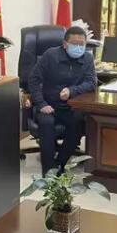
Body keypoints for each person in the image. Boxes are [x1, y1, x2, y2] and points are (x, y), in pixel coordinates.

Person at [28, 26, 97, 176]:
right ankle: (48, 171)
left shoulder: (88, 58)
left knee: (80, 122)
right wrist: (41, 104)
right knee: (47, 123)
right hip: (49, 104)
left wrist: (72, 91)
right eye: (74, 43)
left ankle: (60, 163)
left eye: (82, 44)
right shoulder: (50, 55)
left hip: (72, 106)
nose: (78, 47)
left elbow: (92, 83)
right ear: (65, 44)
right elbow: (33, 80)